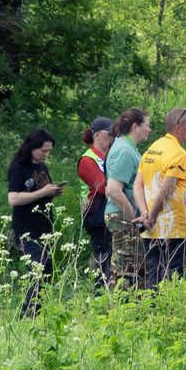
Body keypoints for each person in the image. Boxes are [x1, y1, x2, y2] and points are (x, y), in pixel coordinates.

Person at [134, 108, 186, 287]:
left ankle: (152, 313)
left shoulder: (152, 150)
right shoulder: (178, 153)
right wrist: (152, 215)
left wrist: (145, 213)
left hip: (150, 227)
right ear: (179, 127)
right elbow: (166, 189)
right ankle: (168, 314)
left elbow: (138, 184)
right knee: (172, 278)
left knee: (153, 274)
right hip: (172, 227)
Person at [4, 128, 62, 315]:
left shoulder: (42, 168)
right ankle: (28, 314)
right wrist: (42, 193)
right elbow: (13, 199)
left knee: (47, 270)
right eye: (43, 151)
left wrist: (52, 192)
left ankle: (37, 310)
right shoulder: (19, 168)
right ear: (32, 147)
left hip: (45, 225)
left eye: (49, 151)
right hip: (27, 228)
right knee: (37, 268)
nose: (46, 155)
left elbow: (42, 195)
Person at [103, 109, 153, 290]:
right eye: (147, 126)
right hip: (122, 217)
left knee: (135, 270)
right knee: (124, 271)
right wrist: (134, 218)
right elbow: (114, 190)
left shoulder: (128, 148)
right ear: (135, 126)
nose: (149, 130)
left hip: (123, 217)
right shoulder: (124, 151)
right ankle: (116, 311)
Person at [75, 121, 114, 283]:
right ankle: (100, 295)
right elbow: (104, 187)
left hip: (110, 211)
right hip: (96, 213)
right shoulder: (87, 160)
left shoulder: (111, 155)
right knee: (104, 259)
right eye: (110, 133)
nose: (113, 138)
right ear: (97, 135)